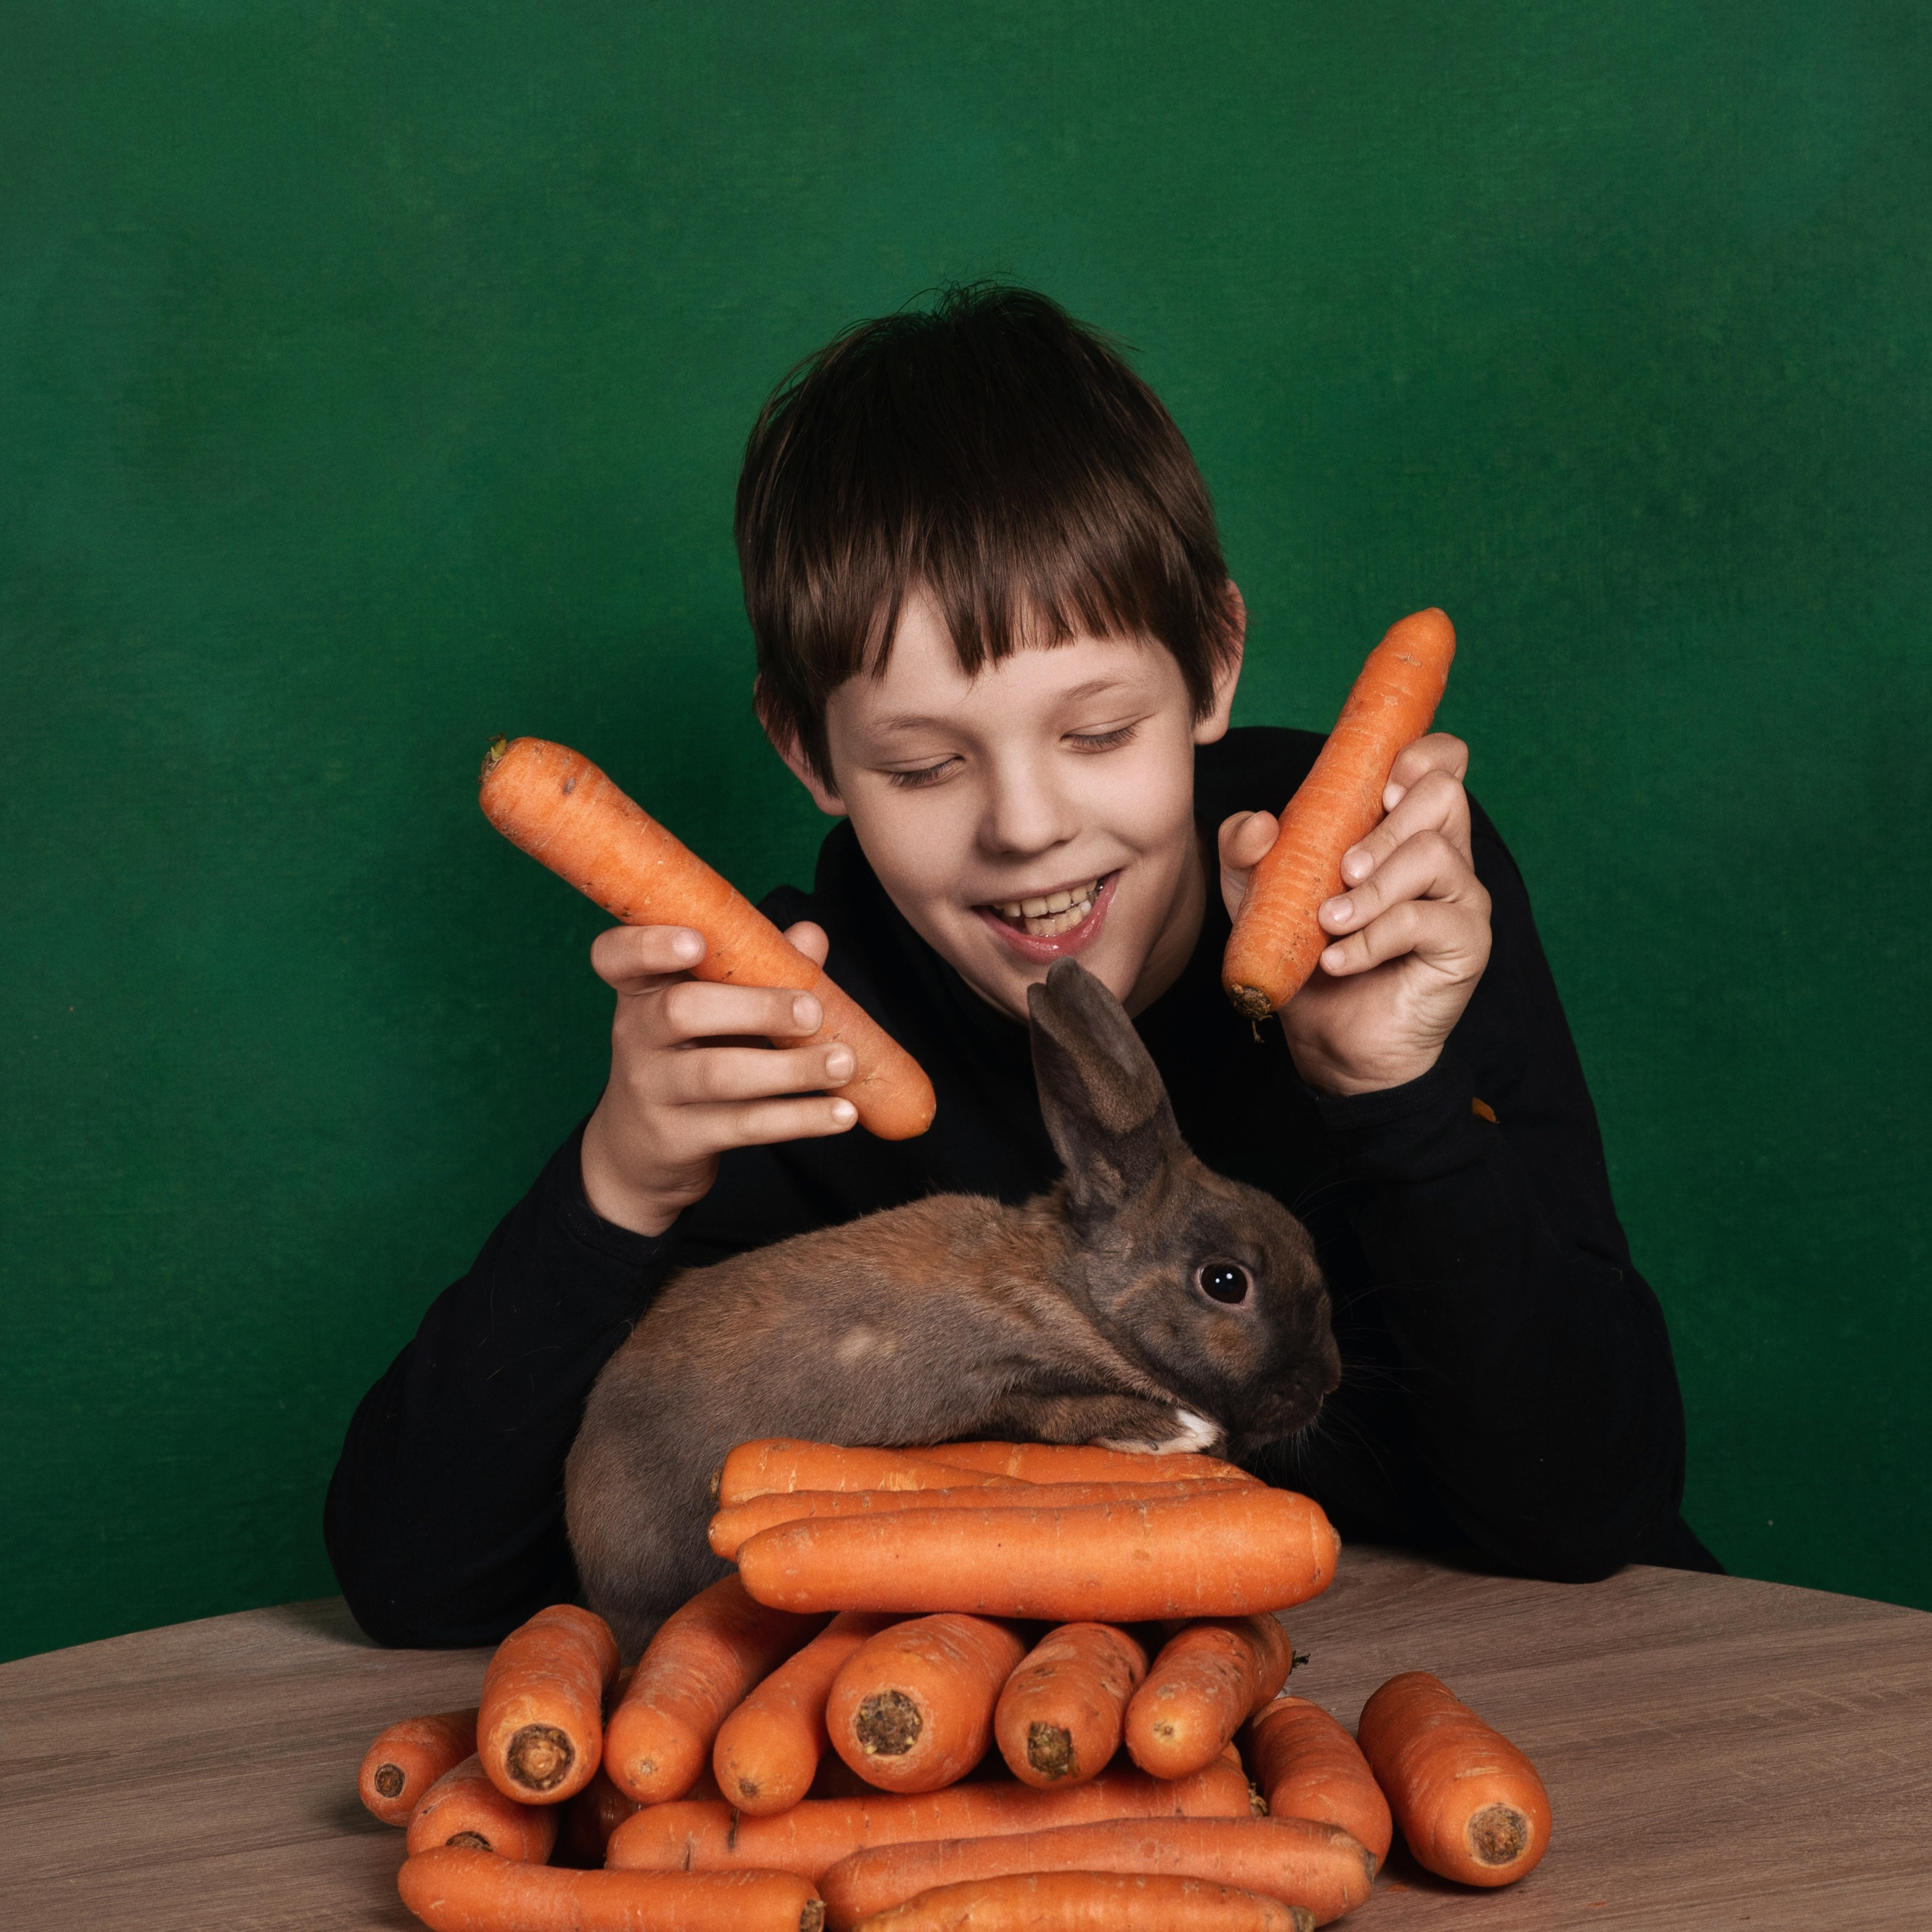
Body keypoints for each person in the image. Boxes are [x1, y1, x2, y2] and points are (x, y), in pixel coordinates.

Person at [326, 285, 1715, 1648]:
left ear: (1212, 666)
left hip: (1501, 1689)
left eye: (1099, 733)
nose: (1028, 828)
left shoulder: (1382, 890)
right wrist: (616, 1189)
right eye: (925, 765)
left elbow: (1591, 1511)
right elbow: (421, 1578)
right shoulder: (797, 1018)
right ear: (810, 753)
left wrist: (1394, 1097)